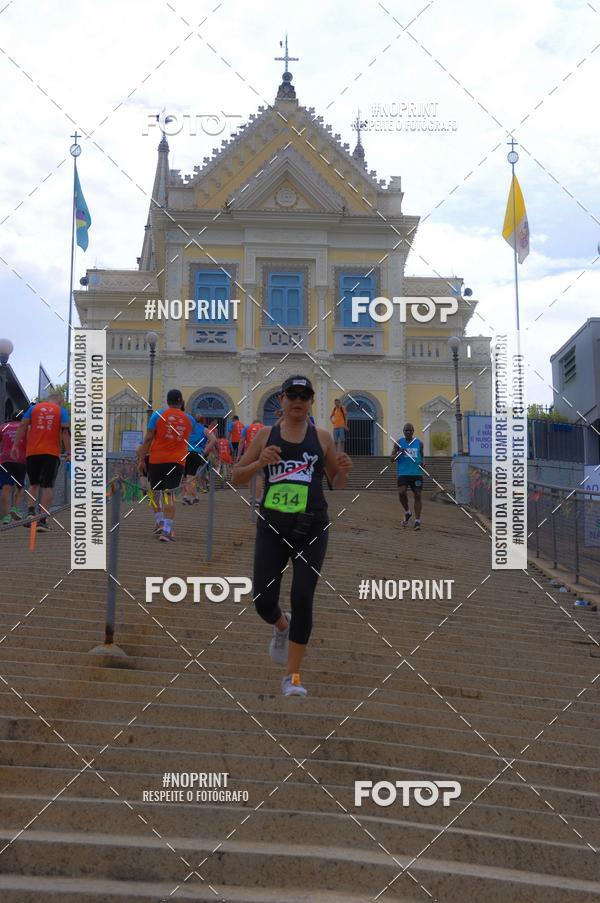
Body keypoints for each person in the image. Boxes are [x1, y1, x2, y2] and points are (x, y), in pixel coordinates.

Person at [232, 375, 352, 698]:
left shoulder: (322, 437)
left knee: (302, 596)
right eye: (292, 395)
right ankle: (280, 626)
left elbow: (336, 484)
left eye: (304, 395)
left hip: (312, 527)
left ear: (311, 401)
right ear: (282, 400)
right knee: (262, 600)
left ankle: (292, 677)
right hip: (272, 526)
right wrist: (260, 461)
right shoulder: (265, 436)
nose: (298, 400)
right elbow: (236, 476)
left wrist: (343, 470)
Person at [137, 389, 193, 542]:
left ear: (167, 401)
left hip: (156, 460)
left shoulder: (157, 415)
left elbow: (148, 438)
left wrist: (141, 460)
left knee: (154, 492)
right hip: (177, 461)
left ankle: (159, 521)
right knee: (169, 495)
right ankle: (166, 530)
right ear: (181, 402)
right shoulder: (189, 419)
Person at [11, 392, 71, 532]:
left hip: (32, 452)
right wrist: (69, 453)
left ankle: (31, 513)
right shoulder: (61, 411)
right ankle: (43, 520)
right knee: (48, 486)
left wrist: (15, 446)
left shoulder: (33, 409)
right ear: (60, 401)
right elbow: (64, 432)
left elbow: (22, 426)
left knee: (33, 484)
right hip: (50, 453)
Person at [391, 422, 424, 531]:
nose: (408, 432)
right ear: (403, 432)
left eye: (410, 430)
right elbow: (392, 459)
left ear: (413, 431)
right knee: (401, 492)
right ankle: (407, 512)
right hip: (403, 473)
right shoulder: (399, 443)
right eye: (406, 430)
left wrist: (423, 462)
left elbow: (422, 456)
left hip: (417, 473)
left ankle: (417, 521)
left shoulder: (419, 443)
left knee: (418, 495)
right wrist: (399, 452)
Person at [183, 414, 217, 503]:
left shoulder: (188, 429)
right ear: (203, 421)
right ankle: (191, 496)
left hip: (186, 453)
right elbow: (213, 439)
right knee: (191, 476)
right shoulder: (205, 430)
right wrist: (205, 451)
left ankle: (189, 496)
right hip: (197, 453)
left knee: (188, 476)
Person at [1, 412, 26, 524]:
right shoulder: (25, 427)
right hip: (20, 460)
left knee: (6, 488)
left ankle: (6, 517)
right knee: (20, 487)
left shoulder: (3, 427)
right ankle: (15, 508)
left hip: (5, 460)